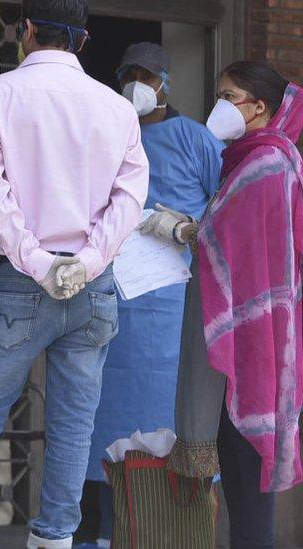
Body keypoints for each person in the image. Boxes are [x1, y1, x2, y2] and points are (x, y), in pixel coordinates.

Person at [0, 0, 150, 546]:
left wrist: (38, 263)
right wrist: (86, 262)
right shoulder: (116, 108)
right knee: (74, 423)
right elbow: (130, 198)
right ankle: (55, 536)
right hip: (92, 284)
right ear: (82, 39)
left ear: (27, 31)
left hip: (20, 281)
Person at [74, 42, 224, 548]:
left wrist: (184, 228)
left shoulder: (195, 139)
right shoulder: (109, 136)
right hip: (113, 301)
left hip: (174, 308)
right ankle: (100, 531)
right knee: (102, 421)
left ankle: (175, 527)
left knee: (174, 417)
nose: (136, 83)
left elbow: (226, 213)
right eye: (128, 74)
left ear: (164, 82)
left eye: (145, 75)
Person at [158, 60, 303, 549]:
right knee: (241, 484)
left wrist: (184, 229)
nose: (219, 105)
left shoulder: (267, 163)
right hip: (249, 335)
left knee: (247, 484)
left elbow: (231, 241)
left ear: (259, 107)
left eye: (230, 96)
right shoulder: (248, 159)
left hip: (254, 344)